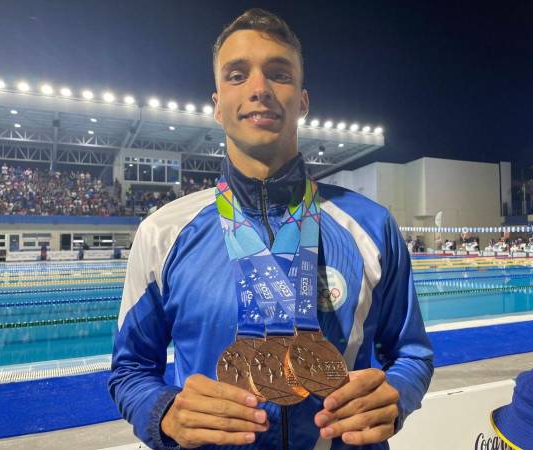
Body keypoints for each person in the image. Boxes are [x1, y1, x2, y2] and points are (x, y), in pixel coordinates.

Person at [109, 9, 433, 450]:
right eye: (237, 75)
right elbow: (130, 370)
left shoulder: (371, 226)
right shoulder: (163, 233)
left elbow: (411, 353)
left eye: (278, 74)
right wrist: (163, 411)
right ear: (217, 103)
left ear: (302, 100)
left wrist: (396, 396)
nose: (259, 89)